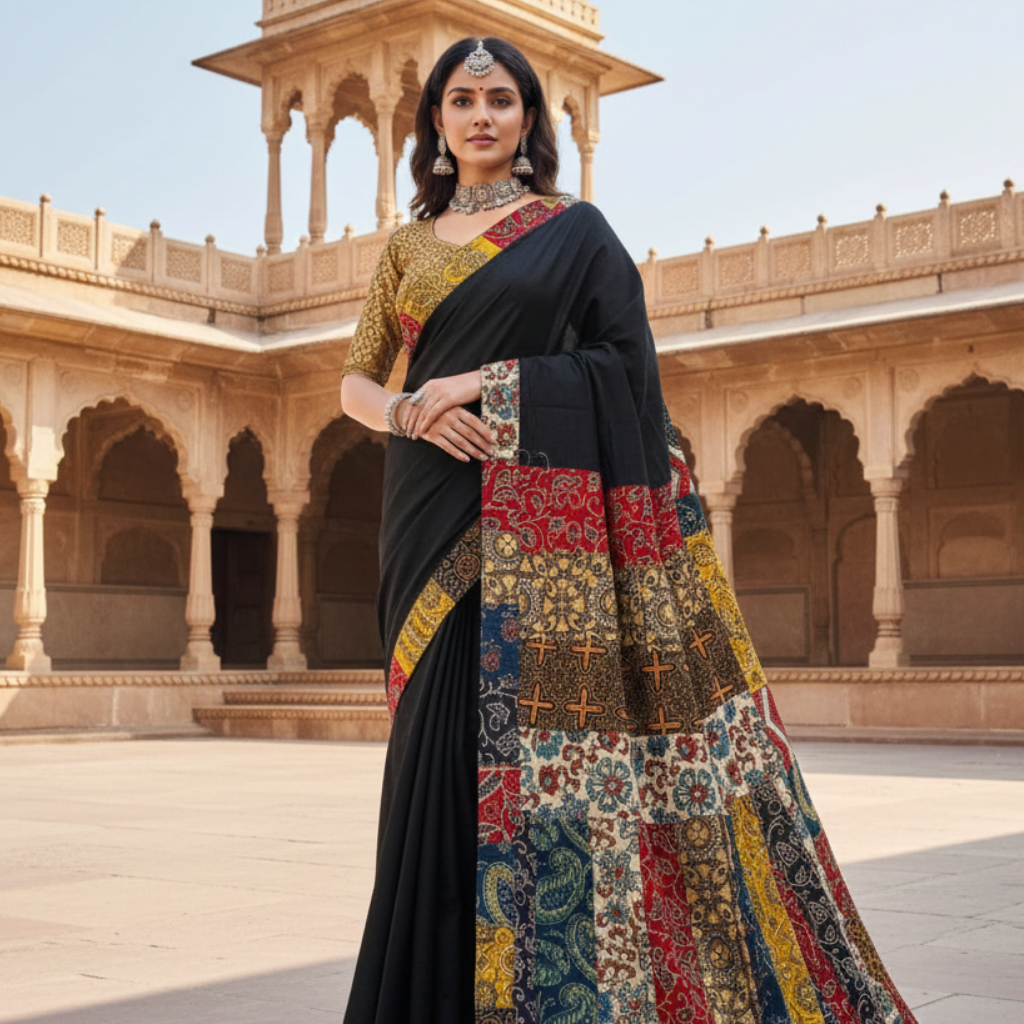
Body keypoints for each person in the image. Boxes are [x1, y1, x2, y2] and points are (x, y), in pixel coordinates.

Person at [339, 35, 917, 1024]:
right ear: (435, 120)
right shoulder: (405, 246)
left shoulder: (574, 231)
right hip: (428, 508)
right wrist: (406, 411)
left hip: (540, 528)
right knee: (429, 766)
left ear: (529, 121)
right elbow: (354, 381)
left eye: (503, 100)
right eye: (463, 99)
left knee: (522, 774)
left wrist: (486, 382)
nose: (481, 116)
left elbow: (626, 376)